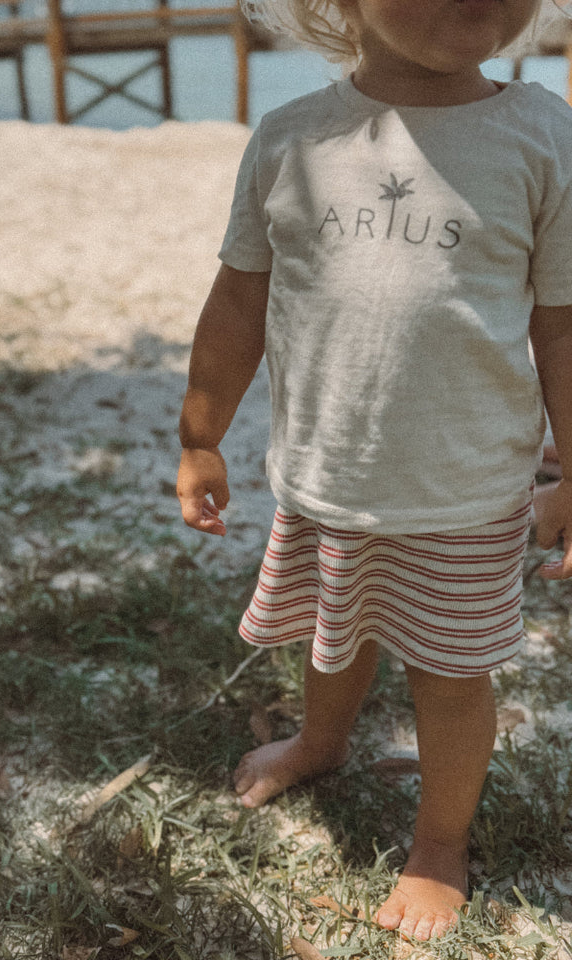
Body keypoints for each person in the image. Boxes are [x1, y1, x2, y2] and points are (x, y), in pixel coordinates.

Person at [177, 0, 572, 942]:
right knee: (332, 627)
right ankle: (322, 740)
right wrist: (201, 434)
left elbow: (561, 323)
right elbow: (239, 299)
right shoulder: (290, 138)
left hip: (465, 489)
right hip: (328, 470)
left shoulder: (541, 134)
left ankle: (440, 841)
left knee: (449, 674)